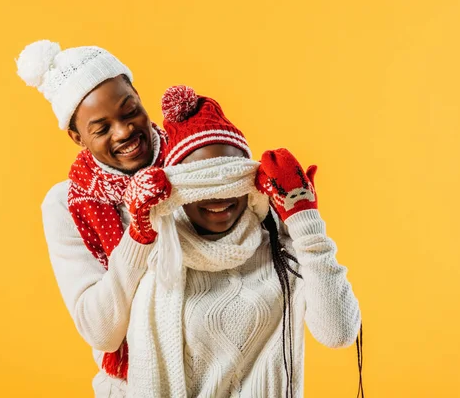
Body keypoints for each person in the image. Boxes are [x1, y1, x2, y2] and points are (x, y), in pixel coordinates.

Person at [120, 86, 362, 397]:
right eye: (203, 182)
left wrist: (304, 218)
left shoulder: (282, 246)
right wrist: (139, 233)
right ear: (178, 190)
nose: (219, 196)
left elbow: (338, 332)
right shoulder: (162, 253)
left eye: (231, 179)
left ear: (253, 182)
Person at [16, 40, 169, 396]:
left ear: (139, 97)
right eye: (101, 129)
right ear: (77, 137)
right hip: (135, 387)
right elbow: (101, 330)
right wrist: (139, 233)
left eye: (130, 111)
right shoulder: (66, 206)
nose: (124, 131)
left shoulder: (195, 155)